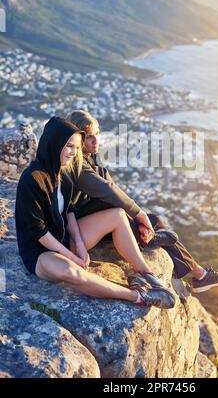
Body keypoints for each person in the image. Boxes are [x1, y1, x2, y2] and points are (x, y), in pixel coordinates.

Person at [66, 110, 218, 293]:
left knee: (153, 220)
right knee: (138, 215)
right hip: (85, 224)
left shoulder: (92, 157)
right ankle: (155, 243)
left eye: (98, 134)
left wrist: (139, 218)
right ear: (78, 138)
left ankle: (198, 273)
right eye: (90, 137)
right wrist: (138, 214)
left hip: (99, 217)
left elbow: (112, 186)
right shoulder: (76, 164)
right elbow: (108, 191)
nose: (96, 140)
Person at [15, 116, 175, 309]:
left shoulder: (63, 173)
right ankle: (138, 296)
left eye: (76, 147)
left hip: (64, 236)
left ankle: (145, 273)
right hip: (42, 252)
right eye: (69, 147)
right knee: (72, 272)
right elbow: (39, 232)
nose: (74, 153)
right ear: (54, 144)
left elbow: (69, 212)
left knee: (116, 215)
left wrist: (80, 245)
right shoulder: (32, 179)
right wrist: (73, 257)